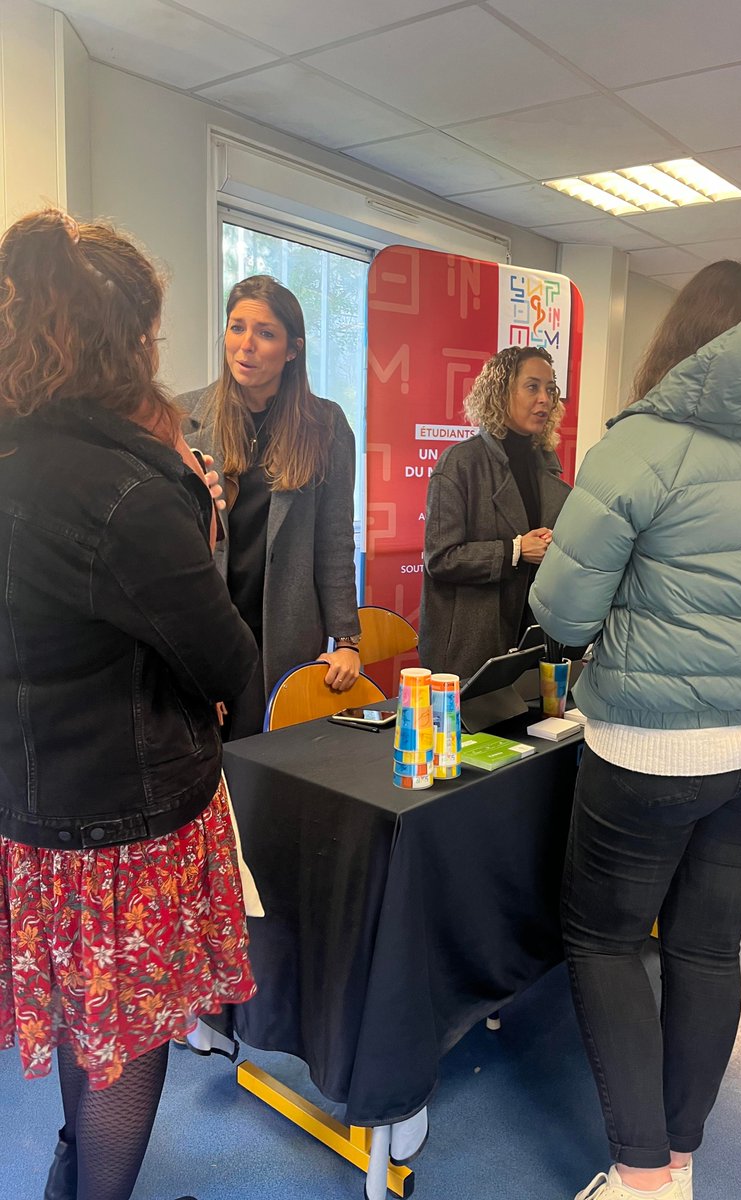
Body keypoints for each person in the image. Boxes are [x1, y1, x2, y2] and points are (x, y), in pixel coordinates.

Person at [529, 260, 741, 1200]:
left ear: (681, 340)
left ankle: (642, 1175)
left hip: (653, 745)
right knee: (708, 945)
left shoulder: (644, 442)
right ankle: (678, 1159)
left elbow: (561, 614)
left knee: (603, 938)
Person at [0, 209, 259, 1200]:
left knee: (83, 1019)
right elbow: (228, 660)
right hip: (127, 829)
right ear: (124, 344)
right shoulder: (129, 494)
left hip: (32, 818)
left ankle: (73, 1177)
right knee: (130, 1037)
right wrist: (199, 525)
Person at [182, 275, 360, 739]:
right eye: (236, 328)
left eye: (265, 333)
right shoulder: (184, 421)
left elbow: (335, 540)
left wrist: (346, 641)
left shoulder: (325, 425)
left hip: (285, 631)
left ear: (292, 349)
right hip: (210, 628)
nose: (246, 345)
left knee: (277, 766)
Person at [419, 345, 571, 677]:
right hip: (469, 648)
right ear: (501, 392)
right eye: (532, 387)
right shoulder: (460, 462)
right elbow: (440, 557)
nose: (545, 399)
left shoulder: (546, 467)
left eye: (550, 389)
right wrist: (515, 550)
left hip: (530, 640)